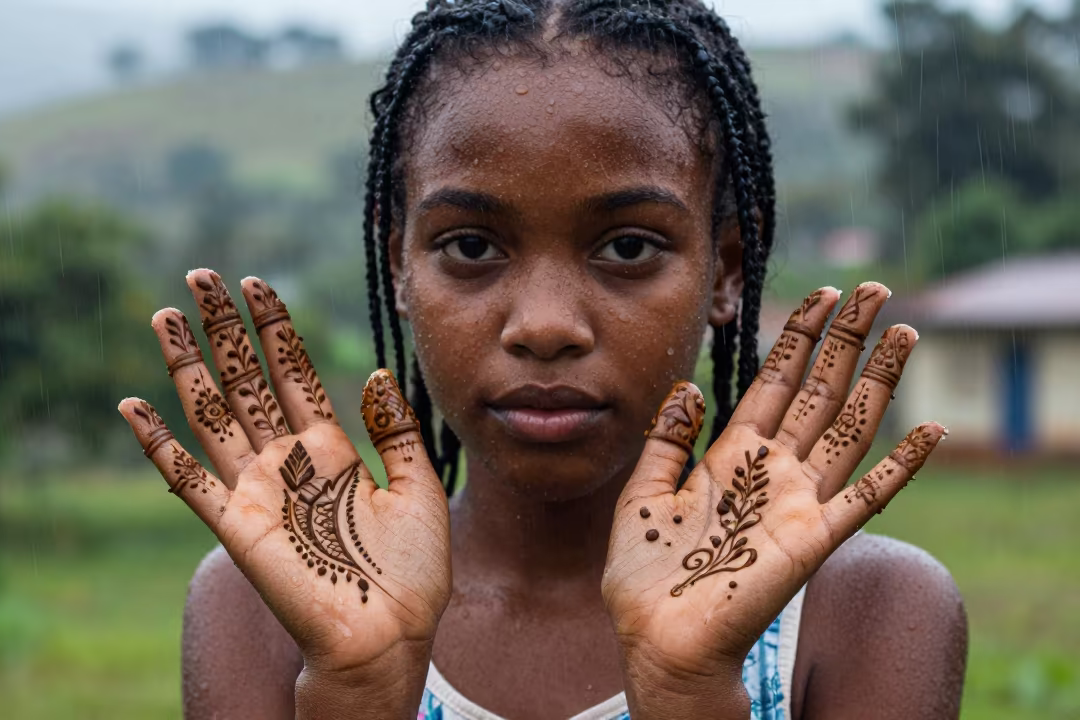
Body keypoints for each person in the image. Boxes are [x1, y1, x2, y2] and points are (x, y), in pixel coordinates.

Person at [117, 1, 968, 717]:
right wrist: (357, 690)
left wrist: (689, 691)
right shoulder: (270, 601)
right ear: (398, 268)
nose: (546, 326)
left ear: (726, 272)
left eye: (628, 247)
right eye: (472, 246)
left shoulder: (866, 611)